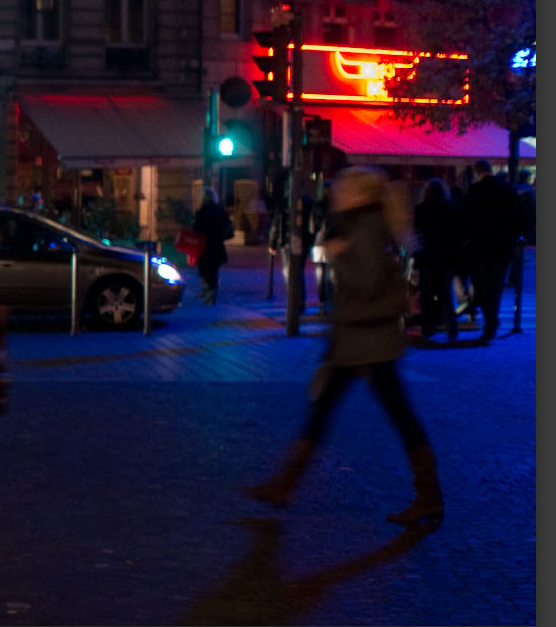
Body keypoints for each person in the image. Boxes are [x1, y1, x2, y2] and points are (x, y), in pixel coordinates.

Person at [245, 167, 442, 525]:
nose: (336, 193)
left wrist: (337, 255)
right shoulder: (360, 223)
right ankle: (284, 485)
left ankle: (428, 496)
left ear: (360, 195)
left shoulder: (363, 229)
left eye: (343, 188)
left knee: (388, 415)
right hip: (360, 342)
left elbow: (365, 284)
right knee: (340, 411)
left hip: (368, 343)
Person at [459, 159, 522, 342]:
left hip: (480, 246)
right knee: (496, 285)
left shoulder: (474, 192)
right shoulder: (508, 191)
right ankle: (491, 319)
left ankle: (490, 320)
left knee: (481, 286)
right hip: (503, 247)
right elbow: (519, 219)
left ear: (478, 172)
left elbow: (464, 219)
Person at [411, 178, 461, 344]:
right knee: (446, 294)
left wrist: (416, 257)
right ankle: (452, 328)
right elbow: (457, 235)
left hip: (427, 257)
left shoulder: (421, 209)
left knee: (426, 295)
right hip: (446, 258)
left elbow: (416, 234)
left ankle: (428, 328)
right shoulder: (451, 208)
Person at [191, 188, 234, 305]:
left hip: (203, 247)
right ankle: (211, 293)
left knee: (204, 271)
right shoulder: (220, 211)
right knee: (213, 271)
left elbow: (195, 230)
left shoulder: (201, 212)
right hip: (217, 246)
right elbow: (228, 229)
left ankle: (208, 292)